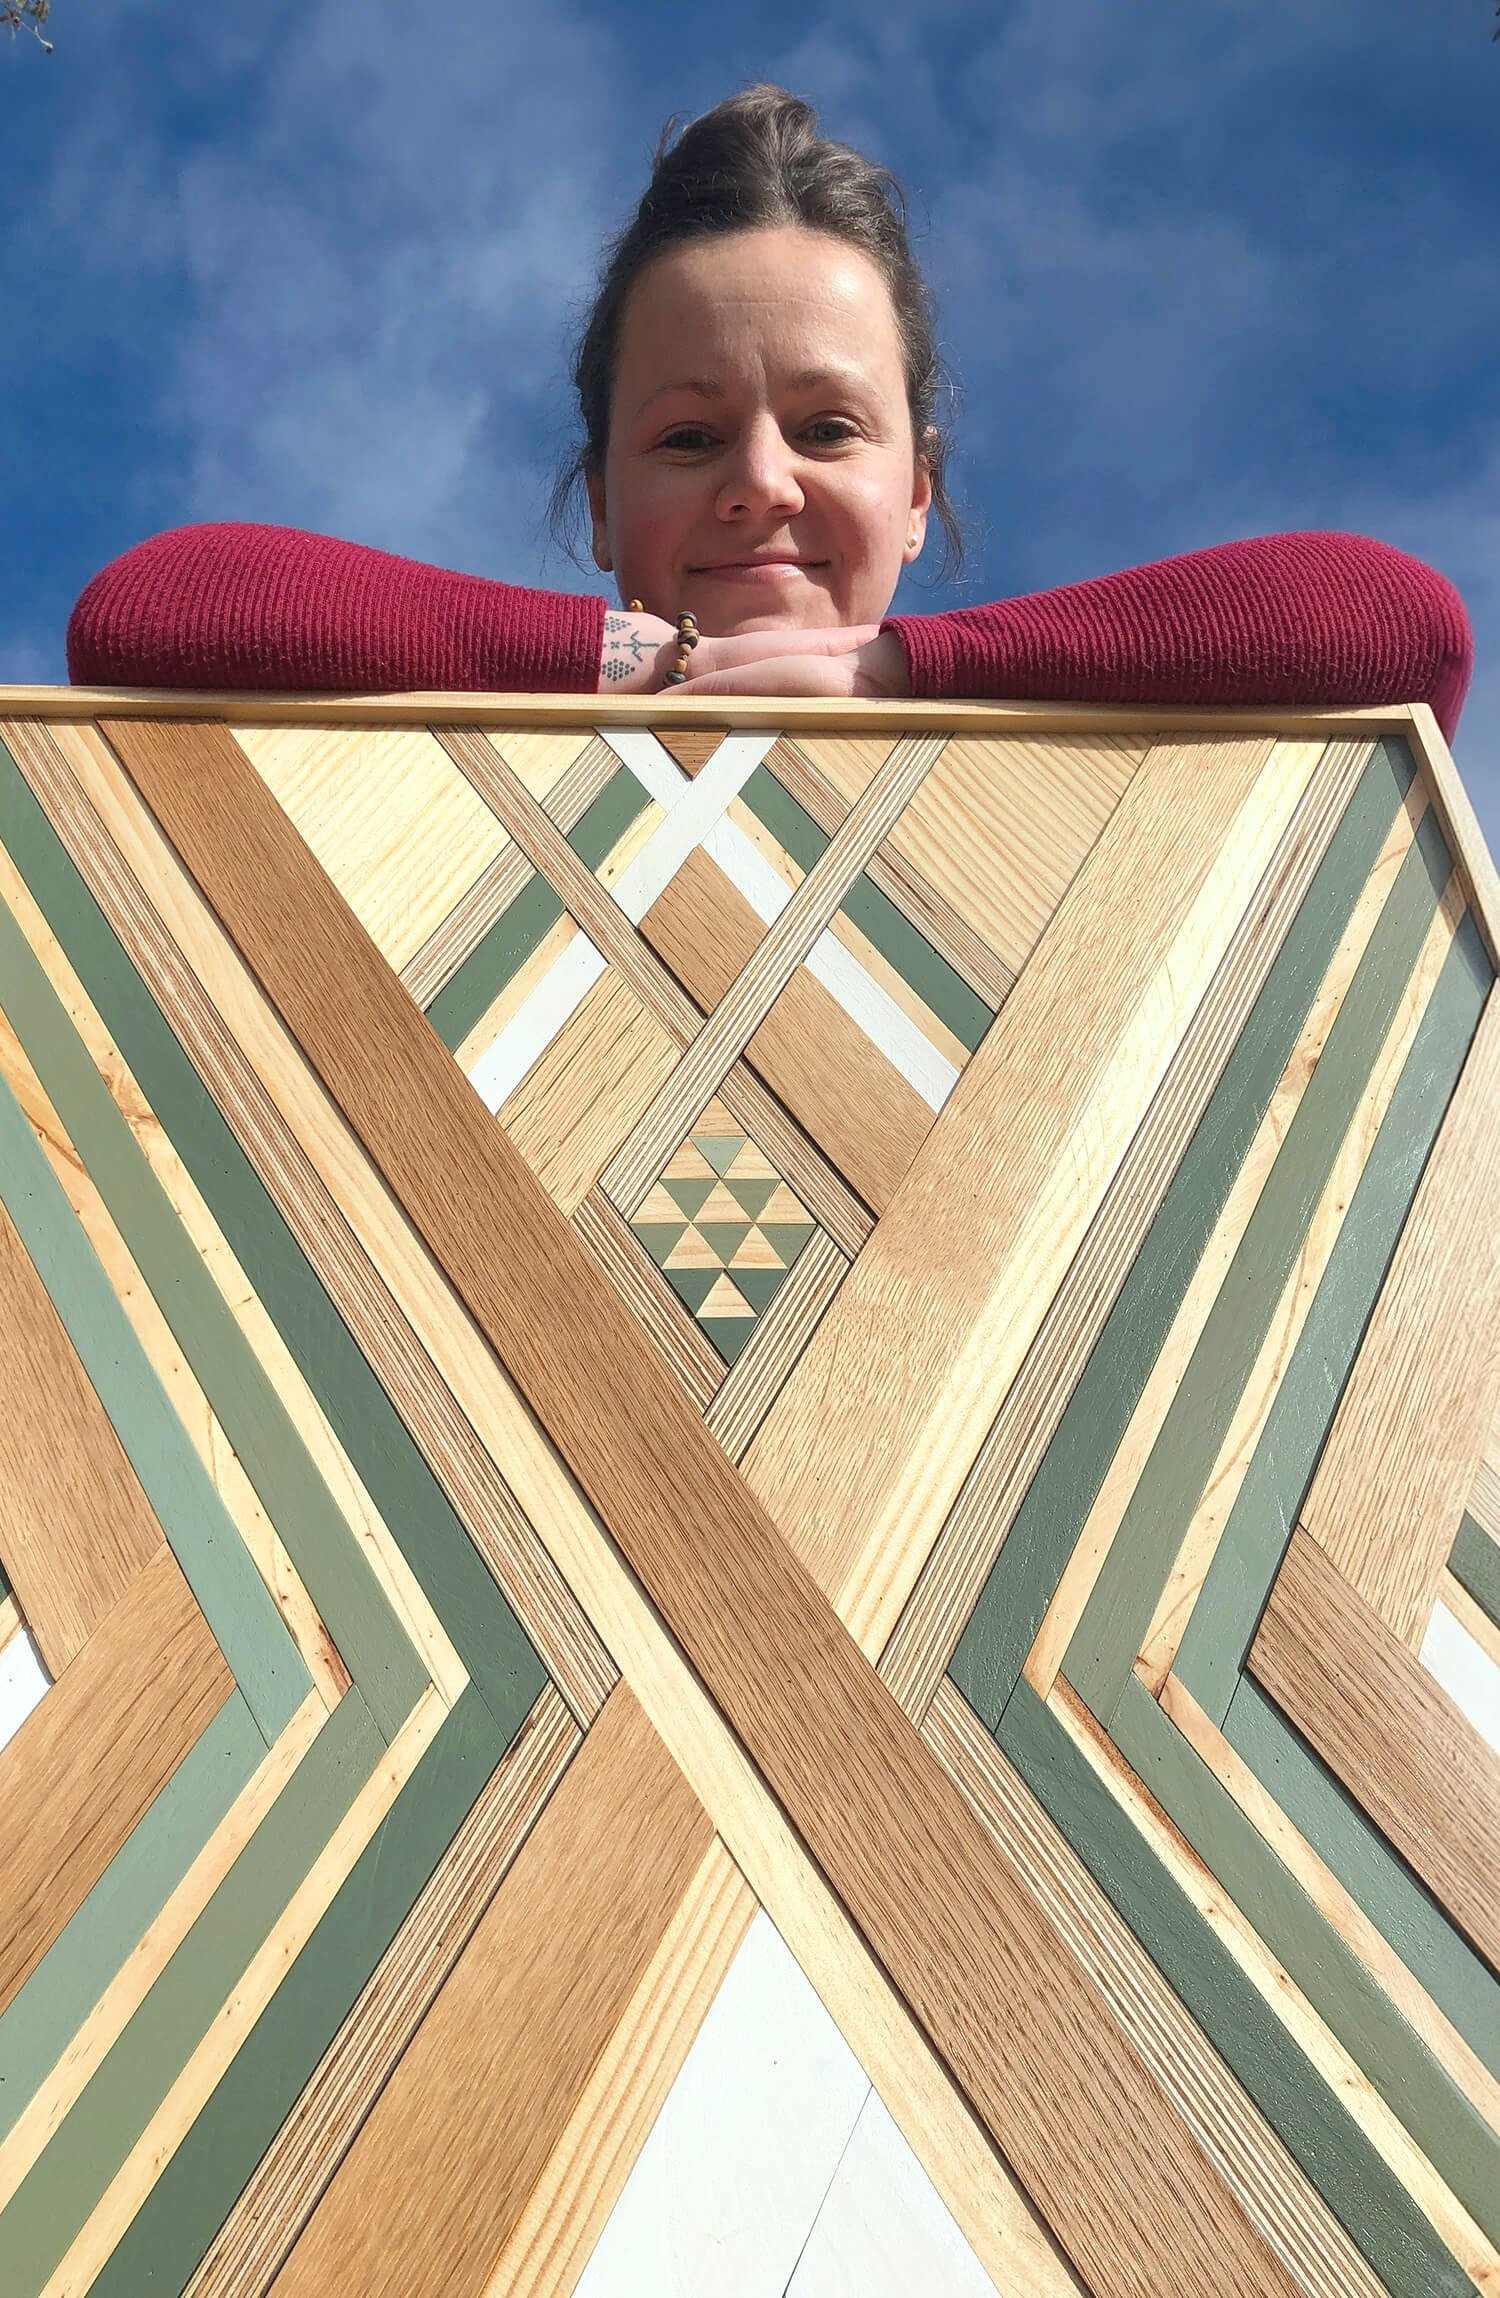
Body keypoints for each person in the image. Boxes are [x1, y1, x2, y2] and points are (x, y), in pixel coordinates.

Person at [67, 86, 1473, 738]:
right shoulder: (503, 730)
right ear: (602, 500)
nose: (759, 483)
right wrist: (623, 667)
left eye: (827, 427)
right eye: (688, 437)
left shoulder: (1046, 724)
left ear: (921, 493)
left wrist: (903, 677)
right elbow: (144, 610)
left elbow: (1400, 620)